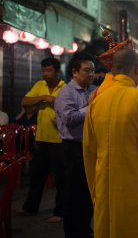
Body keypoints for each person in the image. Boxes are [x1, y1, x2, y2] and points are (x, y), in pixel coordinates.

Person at [83, 48, 138, 238]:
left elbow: (89, 151)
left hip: (105, 187)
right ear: (137, 69)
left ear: (113, 71)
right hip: (137, 188)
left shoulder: (97, 102)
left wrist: (96, 186)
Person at [15, 57, 66, 223]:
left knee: (61, 180)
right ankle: (30, 208)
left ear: (58, 72)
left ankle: (60, 212)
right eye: (44, 70)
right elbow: (25, 101)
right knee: (36, 177)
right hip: (42, 139)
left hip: (60, 141)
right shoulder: (40, 86)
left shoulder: (65, 88)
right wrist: (44, 97)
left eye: (49, 70)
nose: (46, 74)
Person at [54, 52, 96, 238]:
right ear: (74, 72)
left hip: (89, 147)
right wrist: (91, 107)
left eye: (93, 70)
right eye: (87, 70)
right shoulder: (66, 93)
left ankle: (85, 231)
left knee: (88, 194)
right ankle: (73, 233)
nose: (91, 74)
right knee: (72, 195)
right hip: (72, 149)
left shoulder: (94, 90)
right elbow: (70, 118)